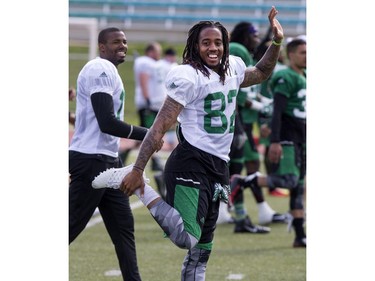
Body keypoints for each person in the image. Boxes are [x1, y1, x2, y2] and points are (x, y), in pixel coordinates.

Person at [93, 7, 284, 280]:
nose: (213, 47)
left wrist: (277, 42)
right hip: (191, 162)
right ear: (195, 46)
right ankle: (143, 188)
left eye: (218, 42)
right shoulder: (188, 75)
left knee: (202, 251)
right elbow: (160, 126)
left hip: (219, 166)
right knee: (186, 238)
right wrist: (137, 169)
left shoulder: (233, 69)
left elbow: (263, 71)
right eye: (206, 42)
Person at [69, 27, 162, 280]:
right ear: (101, 46)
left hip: (108, 160)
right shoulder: (101, 69)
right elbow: (107, 123)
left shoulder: (108, 71)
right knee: (70, 226)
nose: (122, 45)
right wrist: (150, 133)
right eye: (115, 42)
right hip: (92, 161)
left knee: (123, 229)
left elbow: (93, 120)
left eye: (124, 41)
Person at [230, 38, 307, 248]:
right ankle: (245, 181)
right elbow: (278, 110)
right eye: (302, 52)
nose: (307, 56)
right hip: (288, 136)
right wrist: (274, 140)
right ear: (291, 55)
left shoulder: (306, 76)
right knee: (289, 181)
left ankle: (300, 235)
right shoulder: (285, 76)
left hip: (303, 138)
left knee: (299, 186)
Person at [228, 21, 286, 226]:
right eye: (254, 35)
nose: (256, 39)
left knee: (240, 166)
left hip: (244, 119)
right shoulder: (237, 49)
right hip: (237, 118)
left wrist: (263, 104)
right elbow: (232, 86)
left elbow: (249, 86)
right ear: (244, 36)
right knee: (243, 165)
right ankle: (241, 211)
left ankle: (236, 210)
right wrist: (258, 106)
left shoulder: (244, 50)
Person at [120, 42, 164, 171]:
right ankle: (155, 161)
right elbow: (143, 80)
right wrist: (148, 101)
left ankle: (124, 153)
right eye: (157, 51)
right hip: (148, 105)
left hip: (152, 104)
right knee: (150, 133)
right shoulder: (145, 62)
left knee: (145, 135)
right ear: (150, 51)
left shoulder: (150, 63)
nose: (159, 54)